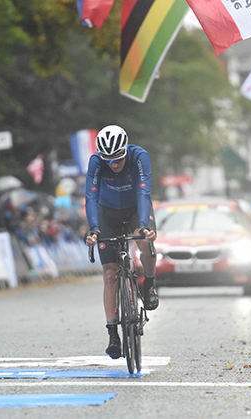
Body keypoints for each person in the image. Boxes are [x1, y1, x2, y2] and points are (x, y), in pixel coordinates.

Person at [83, 124, 158, 359]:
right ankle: (113, 332)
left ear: (125, 151)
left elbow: (144, 192)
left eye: (118, 159)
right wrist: (94, 229)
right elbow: (91, 196)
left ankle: (149, 285)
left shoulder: (139, 157)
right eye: (109, 160)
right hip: (108, 213)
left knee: (143, 241)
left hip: (137, 208)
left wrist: (144, 224)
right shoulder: (96, 162)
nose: (114, 165)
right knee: (109, 274)